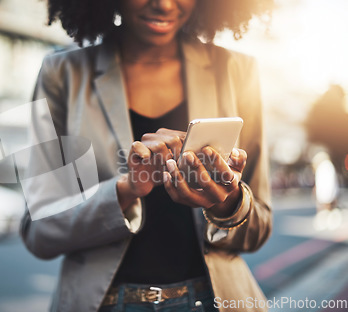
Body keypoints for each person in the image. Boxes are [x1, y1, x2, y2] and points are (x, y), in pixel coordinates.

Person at [20, 0, 273, 311]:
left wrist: (226, 202)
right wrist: (126, 190)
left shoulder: (237, 71)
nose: (163, 4)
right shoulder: (62, 73)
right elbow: (39, 231)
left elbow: (259, 229)